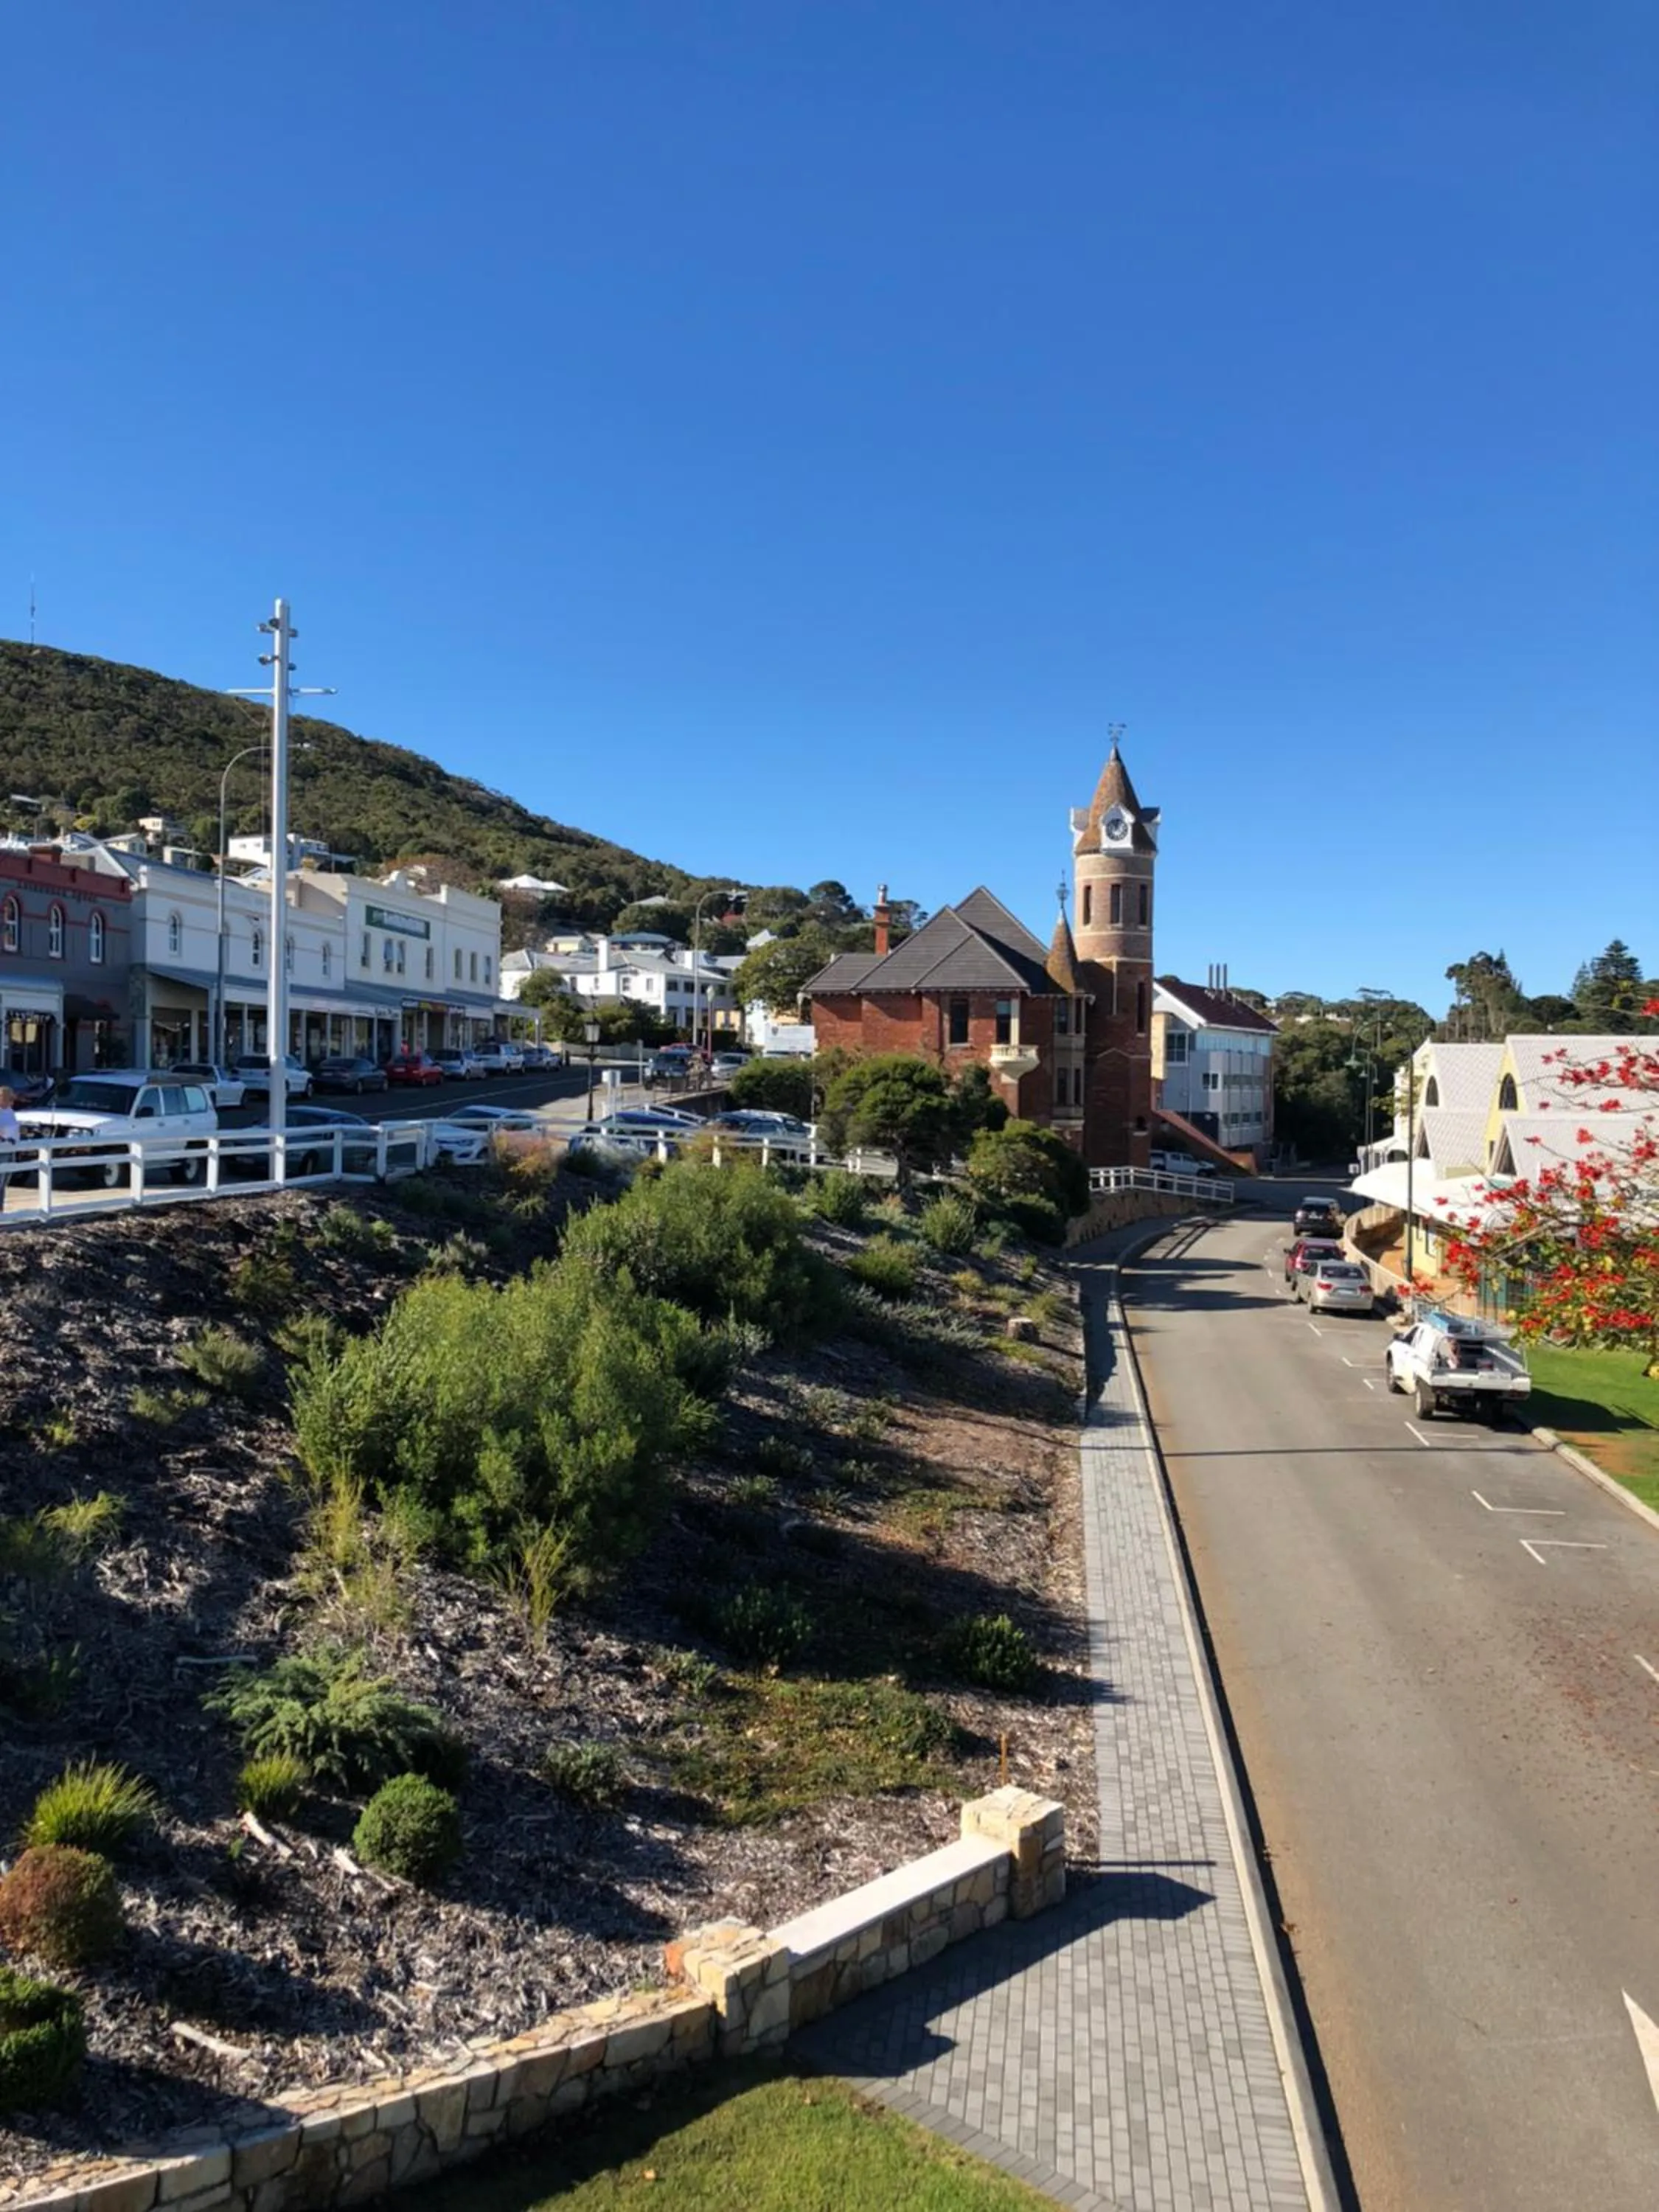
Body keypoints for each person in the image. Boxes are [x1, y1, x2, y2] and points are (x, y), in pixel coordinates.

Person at [0, 1085, 19, 1204]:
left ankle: (1, 1212)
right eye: (9, 1098)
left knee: (4, 1183)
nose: (12, 1101)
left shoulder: (10, 1112)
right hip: (1, 1150)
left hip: (10, 1149)